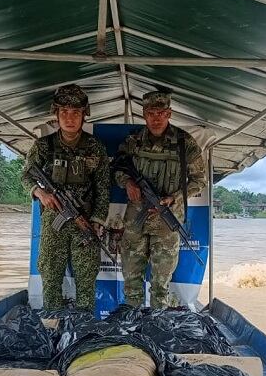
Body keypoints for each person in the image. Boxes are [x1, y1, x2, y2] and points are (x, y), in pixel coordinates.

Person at [112, 90, 206, 309]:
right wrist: (127, 183)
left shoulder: (185, 143)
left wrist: (173, 198)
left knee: (161, 284)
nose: (156, 118)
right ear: (144, 114)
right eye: (151, 113)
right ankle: (133, 323)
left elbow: (199, 181)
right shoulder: (133, 141)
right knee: (131, 278)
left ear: (169, 113)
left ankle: (157, 324)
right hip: (136, 220)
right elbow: (116, 167)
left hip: (167, 221)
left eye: (161, 113)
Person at [21, 84, 110, 311]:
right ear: (56, 114)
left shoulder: (95, 147)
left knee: (86, 278)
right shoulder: (43, 146)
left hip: (85, 222)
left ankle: (82, 331)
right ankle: (52, 326)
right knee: (50, 277)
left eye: (76, 113)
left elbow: (102, 187)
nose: (69, 118)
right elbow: (25, 176)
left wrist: (98, 222)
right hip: (54, 223)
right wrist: (40, 193)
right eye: (64, 113)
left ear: (83, 115)